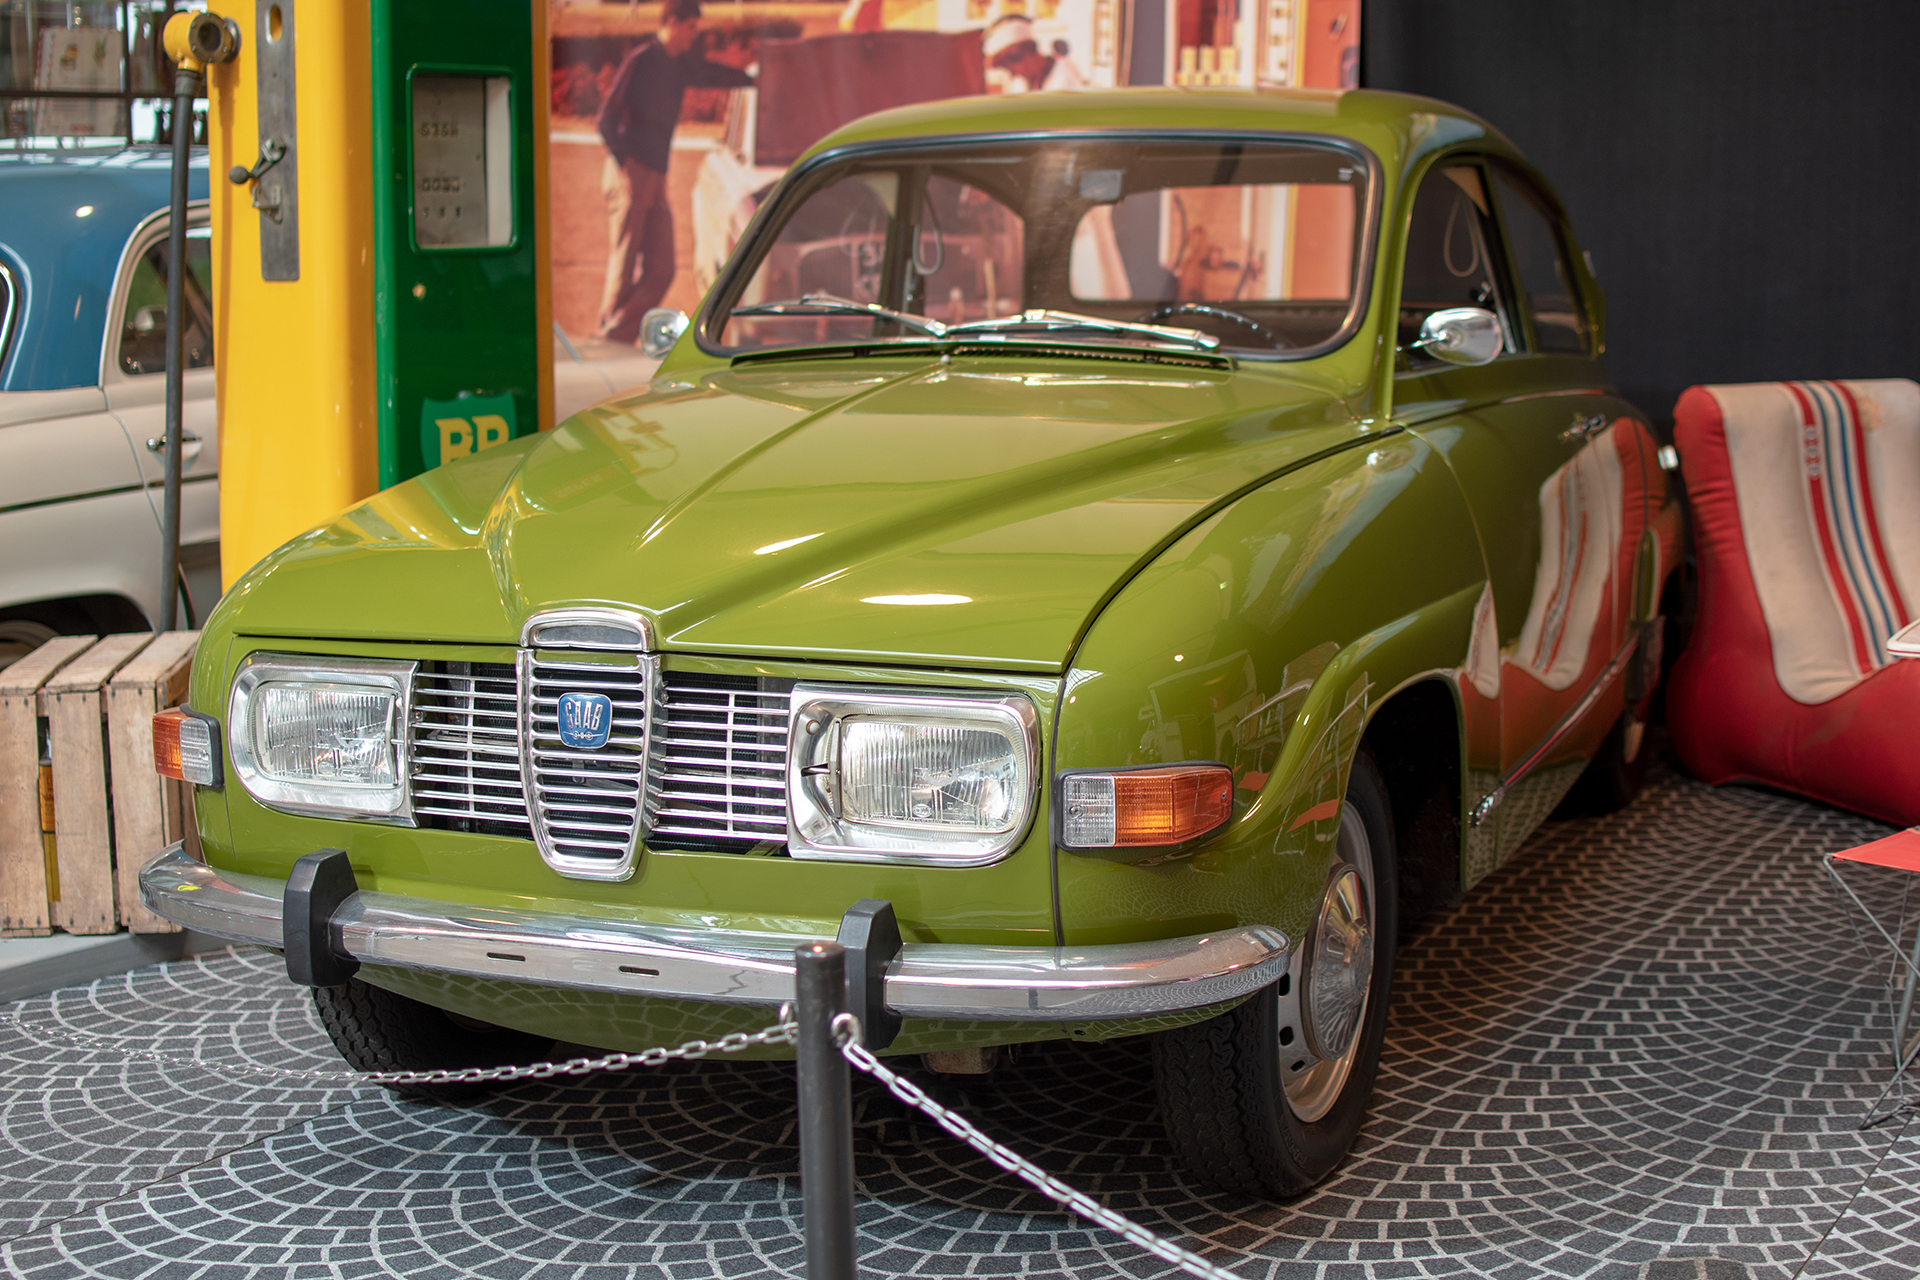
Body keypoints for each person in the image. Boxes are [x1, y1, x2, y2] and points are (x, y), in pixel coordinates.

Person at [594, 0, 753, 344]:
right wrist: (626, 166)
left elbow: (712, 73)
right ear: (674, 23)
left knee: (663, 268)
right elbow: (605, 118)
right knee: (624, 264)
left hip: (657, 175)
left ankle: (615, 333)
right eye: (692, 28)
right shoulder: (641, 60)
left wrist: (752, 78)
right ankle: (608, 339)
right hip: (631, 171)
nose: (694, 37)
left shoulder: (679, 65)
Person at [981, 15, 1085, 93]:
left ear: (1025, 54)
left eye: (1010, 67)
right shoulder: (1019, 85)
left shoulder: (1065, 75)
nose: (1012, 73)